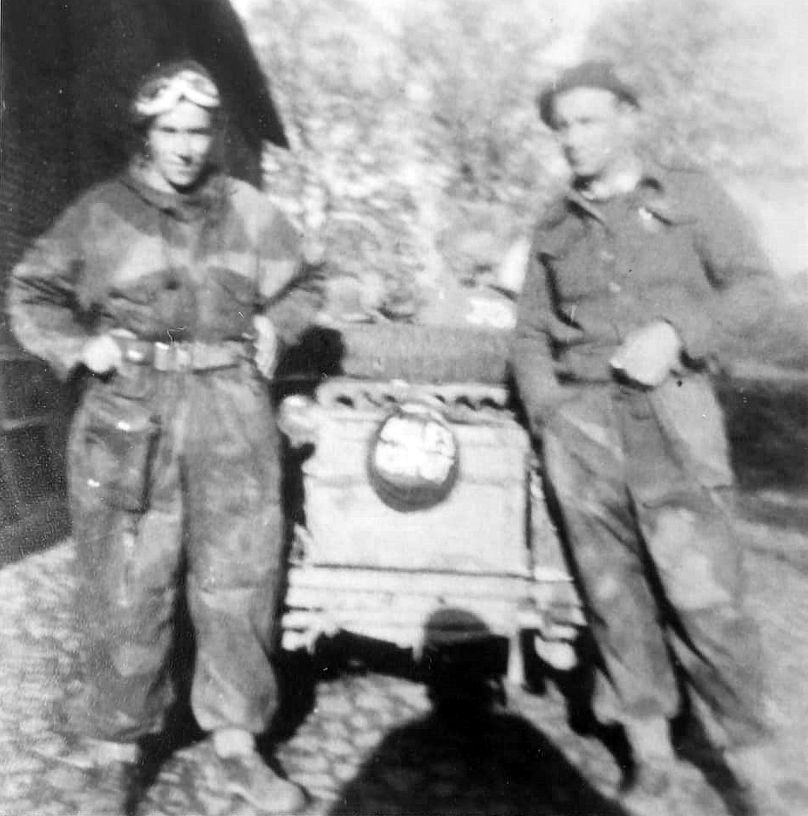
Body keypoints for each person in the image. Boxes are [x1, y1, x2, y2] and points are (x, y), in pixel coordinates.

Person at [7, 59, 318, 814]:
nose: (184, 146)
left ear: (213, 136)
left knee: (238, 578)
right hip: (130, 413)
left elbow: (306, 280)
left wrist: (280, 325)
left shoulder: (248, 210)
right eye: (169, 131)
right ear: (147, 134)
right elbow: (31, 291)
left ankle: (238, 748)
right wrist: (79, 348)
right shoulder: (101, 213)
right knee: (126, 581)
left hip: (231, 411)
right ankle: (117, 751)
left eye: (197, 131)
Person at [512, 60, 773, 804]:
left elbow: (756, 289)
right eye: (562, 126)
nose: (573, 139)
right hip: (583, 431)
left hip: (676, 415)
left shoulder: (689, 197)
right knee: (613, 597)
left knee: (708, 599)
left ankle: (755, 766)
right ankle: (652, 758)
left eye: (589, 120)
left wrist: (678, 332)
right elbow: (530, 333)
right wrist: (550, 411)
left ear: (631, 118)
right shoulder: (554, 225)